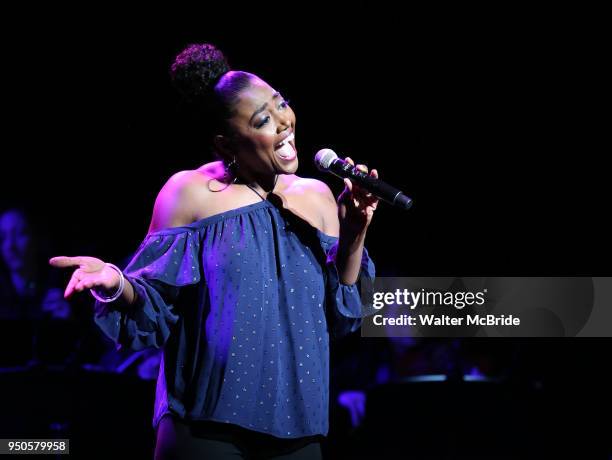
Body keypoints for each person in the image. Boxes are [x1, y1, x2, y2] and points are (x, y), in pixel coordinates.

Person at [50, 43, 378, 459]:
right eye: (263, 120)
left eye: (282, 106)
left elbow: (343, 311)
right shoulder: (189, 193)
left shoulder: (317, 197)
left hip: (298, 423)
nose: (283, 123)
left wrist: (354, 233)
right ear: (227, 144)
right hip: (204, 422)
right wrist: (116, 283)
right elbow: (153, 300)